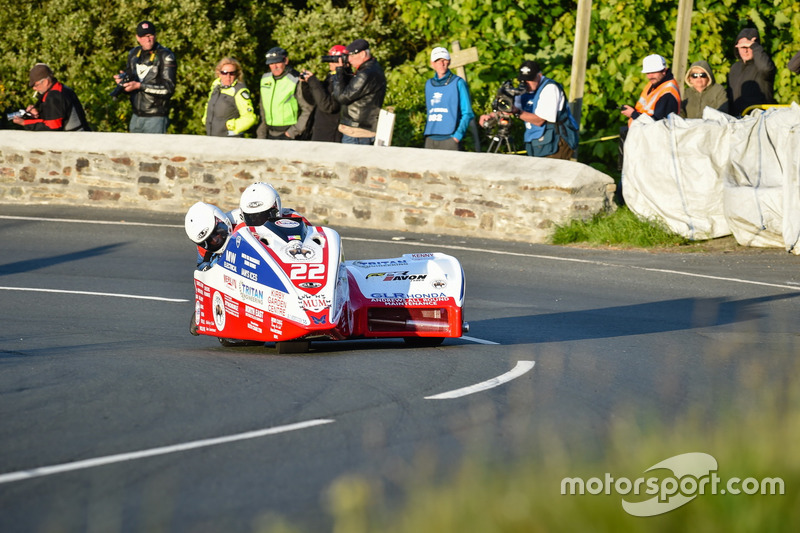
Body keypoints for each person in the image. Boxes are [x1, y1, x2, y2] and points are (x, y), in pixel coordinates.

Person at [479, 60, 579, 159]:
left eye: (530, 79)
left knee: (550, 174)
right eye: (523, 80)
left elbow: (539, 120)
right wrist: (492, 116)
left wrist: (517, 112)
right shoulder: (524, 90)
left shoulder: (550, 89)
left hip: (556, 143)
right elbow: (510, 109)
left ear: (539, 76)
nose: (526, 83)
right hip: (536, 143)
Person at [114, 21, 177, 134]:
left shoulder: (165, 55)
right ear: (138, 38)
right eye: (143, 36)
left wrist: (139, 86)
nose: (148, 39)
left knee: (154, 151)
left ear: (155, 35)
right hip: (136, 116)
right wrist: (123, 83)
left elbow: (168, 88)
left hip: (155, 117)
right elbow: (130, 79)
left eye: (150, 35)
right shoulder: (133, 53)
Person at [331, 38, 386, 145]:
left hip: (357, 133)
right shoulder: (372, 69)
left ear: (362, 54)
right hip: (360, 130)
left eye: (352, 56)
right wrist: (346, 71)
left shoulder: (365, 74)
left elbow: (342, 97)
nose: (349, 60)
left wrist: (339, 72)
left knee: (350, 161)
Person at [256, 46, 314, 140]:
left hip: (289, 134)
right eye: (271, 63)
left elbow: (308, 109)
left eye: (277, 62)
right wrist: (261, 134)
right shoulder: (265, 79)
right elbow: (262, 108)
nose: (274, 67)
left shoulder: (295, 80)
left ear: (286, 61)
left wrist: (292, 132)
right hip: (269, 134)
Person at [423, 47, 475, 151]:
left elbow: (468, 113)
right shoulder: (428, 84)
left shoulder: (458, 83)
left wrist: (457, 136)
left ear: (449, 61)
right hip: (430, 139)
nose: (441, 64)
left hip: (450, 139)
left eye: (444, 60)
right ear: (432, 63)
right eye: (437, 60)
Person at [13, 63, 90, 131]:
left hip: (74, 139)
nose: (34, 88)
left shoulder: (54, 96)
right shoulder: (60, 88)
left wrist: (24, 122)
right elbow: (52, 116)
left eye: (36, 85)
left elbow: (53, 125)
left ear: (46, 82)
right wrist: (36, 115)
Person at [301, 45, 350, 142]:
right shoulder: (332, 77)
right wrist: (306, 84)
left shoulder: (343, 79)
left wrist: (314, 82)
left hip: (331, 134)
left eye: (334, 59)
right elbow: (313, 101)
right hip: (321, 131)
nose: (330, 62)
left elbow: (328, 106)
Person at [202, 57, 258, 137]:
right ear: (219, 73)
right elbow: (209, 104)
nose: (228, 76)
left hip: (230, 140)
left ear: (237, 74)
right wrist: (205, 119)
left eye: (232, 73)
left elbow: (250, 118)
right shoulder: (216, 86)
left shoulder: (240, 91)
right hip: (212, 136)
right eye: (224, 72)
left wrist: (231, 127)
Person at [727, 28, 776, 116]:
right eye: (742, 47)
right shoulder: (734, 68)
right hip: (737, 121)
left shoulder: (762, 65)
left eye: (749, 47)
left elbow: (766, 69)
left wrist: (755, 46)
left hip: (758, 119)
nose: (745, 51)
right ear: (737, 47)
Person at [621, 54, 681, 126]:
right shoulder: (655, 83)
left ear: (664, 71)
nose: (650, 76)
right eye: (648, 73)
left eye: (654, 72)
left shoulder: (668, 92)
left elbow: (658, 125)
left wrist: (634, 114)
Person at [238, 182, 309, 228]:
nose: (258, 223)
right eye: (251, 218)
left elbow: (312, 236)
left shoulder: (295, 219)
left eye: (263, 217)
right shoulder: (242, 228)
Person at [184, 202, 235, 267]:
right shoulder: (204, 246)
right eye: (209, 240)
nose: (215, 240)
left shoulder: (240, 222)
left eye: (215, 233)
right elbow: (201, 264)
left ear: (220, 220)